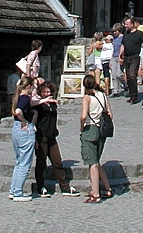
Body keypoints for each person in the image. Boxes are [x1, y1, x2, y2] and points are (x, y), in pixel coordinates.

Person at [32, 81, 79, 198]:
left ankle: (65, 187)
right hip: (41, 137)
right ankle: (40, 187)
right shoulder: (38, 105)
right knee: (41, 163)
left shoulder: (53, 104)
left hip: (52, 137)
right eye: (43, 91)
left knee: (57, 161)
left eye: (48, 91)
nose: (46, 93)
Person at [79, 74, 113, 203]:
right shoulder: (103, 95)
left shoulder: (87, 98)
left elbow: (83, 116)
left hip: (90, 129)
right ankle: (108, 188)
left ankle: (95, 194)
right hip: (102, 130)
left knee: (92, 163)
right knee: (97, 161)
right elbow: (110, 114)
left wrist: (81, 127)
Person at [9, 77, 36, 201]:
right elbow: (19, 111)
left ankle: (13, 190)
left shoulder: (18, 96)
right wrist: (25, 121)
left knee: (19, 161)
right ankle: (18, 192)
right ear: (29, 86)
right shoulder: (25, 97)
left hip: (16, 129)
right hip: (24, 129)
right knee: (25, 162)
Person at [119, 16, 143, 104]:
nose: (125, 26)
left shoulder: (139, 33)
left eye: (127, 24)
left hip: (135, 56)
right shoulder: (126, 33)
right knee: (128, 78)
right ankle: (131, 94)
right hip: (127, 57)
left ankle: (135, 95)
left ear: (132, 24)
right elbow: (123, 45)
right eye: (125, 24)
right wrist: (120, 55)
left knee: (132, 75)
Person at [109, 23, 124, 97]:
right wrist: (111, 60)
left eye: (116, 31)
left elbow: (123, 47)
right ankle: (115, 90)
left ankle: (125, 84)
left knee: (119, 74)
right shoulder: (115, 39)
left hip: (120, 57)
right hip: (114, 57)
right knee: (113, 75)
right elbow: (113, 49)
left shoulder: (122, 38)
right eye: (113, 31)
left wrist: (121, 56)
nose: (114, 33)